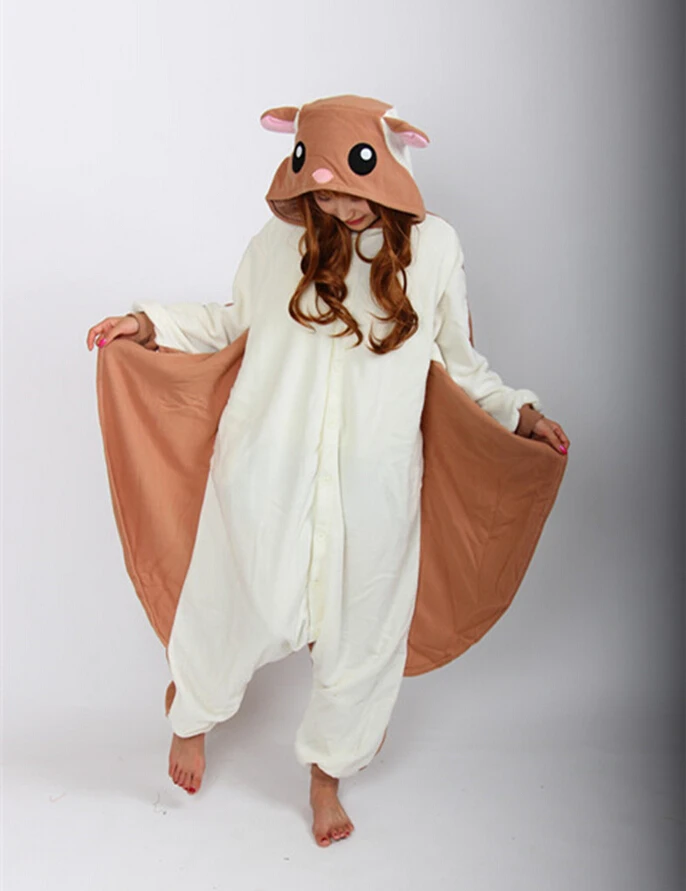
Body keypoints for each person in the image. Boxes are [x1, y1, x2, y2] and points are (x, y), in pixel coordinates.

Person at [86, 95, 569, 847]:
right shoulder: (282, 243)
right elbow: (232, 321)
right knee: (234, 600)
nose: (340, 206)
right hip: (265, 465)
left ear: (392, 166)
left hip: (375, 483)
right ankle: (192, 714)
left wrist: (520, 412)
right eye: (325, 192)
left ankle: (327, 773)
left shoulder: (435, 248)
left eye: (353, 189)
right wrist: (149, 323)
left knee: (364, 629)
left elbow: (459, 361)